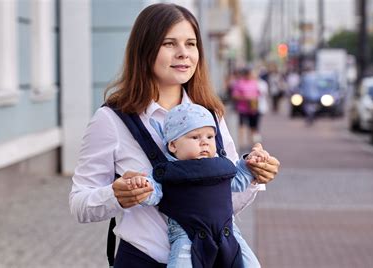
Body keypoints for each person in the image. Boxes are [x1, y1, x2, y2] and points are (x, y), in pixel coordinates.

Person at [69, 3, 280, 267]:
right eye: (169, 44)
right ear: (145, 50)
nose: (183, 54)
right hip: (142, 259)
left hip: (212, 260)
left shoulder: (211, 115)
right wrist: (116, 196)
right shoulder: (111, 120)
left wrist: (254, 174)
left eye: (190, 44)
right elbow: (79, 203)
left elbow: (225, 200)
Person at [135, 102, 266, 268]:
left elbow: (238, 182)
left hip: (228, 231)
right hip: (187, 234)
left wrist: (250, 164)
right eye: (195, 137)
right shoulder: (168, 171)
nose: (204, 142)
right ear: (173, 145)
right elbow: (153, 194)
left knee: (252, 264)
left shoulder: (221, 165)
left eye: (210, 137)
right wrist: (141, 187)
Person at [232, 67, 261, 148]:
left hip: (253, 109)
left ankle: (253, 143)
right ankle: (241, 143)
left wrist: (254, 99)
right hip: (243, 109)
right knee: (242, 126)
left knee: (253, 127)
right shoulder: (239, 83)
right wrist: (245, 98)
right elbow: (235, 95)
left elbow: (258, 93)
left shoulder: (254, 82)